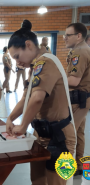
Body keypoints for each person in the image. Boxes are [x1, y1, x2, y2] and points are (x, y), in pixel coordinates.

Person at [6, 20, 76, 185]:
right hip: (41, 135)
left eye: (17, 56)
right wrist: (10, 118)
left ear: (28, 45)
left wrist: (22, 126)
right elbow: (26, 98)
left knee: (56, 183)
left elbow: (37, 98)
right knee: (37, 181)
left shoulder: (46, 63)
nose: (17, 62)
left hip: (60, 137)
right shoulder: (35, 67)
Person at [64, 23, 90, 176]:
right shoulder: (84, 49)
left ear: (79, 36)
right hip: (83, 100)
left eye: (68, 35)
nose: (65, 38)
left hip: (78, 100)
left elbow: (73, 81)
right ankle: (79, 166)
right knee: (79, 132)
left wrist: (56, 77)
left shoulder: (79, 52)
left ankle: (67, 171)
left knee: (69, 134)